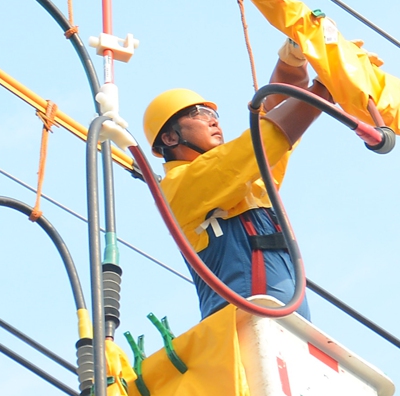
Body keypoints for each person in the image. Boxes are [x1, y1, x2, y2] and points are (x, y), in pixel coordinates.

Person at [141, 40, 332, 319]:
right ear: (170, 137)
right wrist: (325, 91)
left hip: (284, 316)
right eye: (198, 114)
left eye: (213, 114)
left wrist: (292, 63)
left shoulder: (245, 183)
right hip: (239, 317)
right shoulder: (179, 186)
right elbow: (264, 141)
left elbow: (275, 122)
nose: (213, 121)